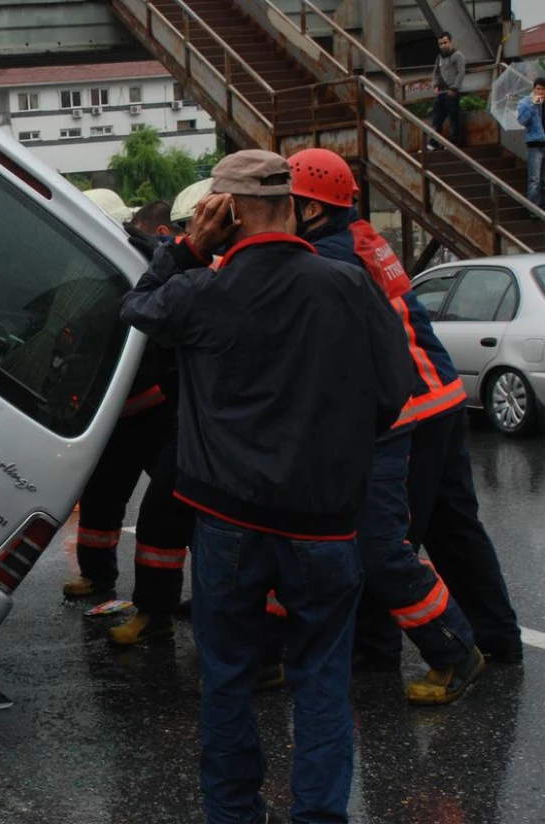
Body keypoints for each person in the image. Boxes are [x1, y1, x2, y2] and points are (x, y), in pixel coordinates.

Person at [122, 149, 414, 824]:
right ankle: (318, 816)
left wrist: (189, 250)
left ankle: (232, 813)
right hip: (324, 522)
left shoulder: (201, 292)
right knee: (320, 679)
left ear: (222, 212)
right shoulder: (346, 283)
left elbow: (136, 307)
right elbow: (392, 390)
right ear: (290, 203)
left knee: (228, 678)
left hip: (226, 522)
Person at [288, 147, 517, 683]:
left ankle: (390, 652)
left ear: (313, 209)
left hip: (409, 408)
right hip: (442, 397)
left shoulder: (331, 258)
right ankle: (498, 636)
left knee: (386, 539)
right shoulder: (360, 237)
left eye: (289, 203)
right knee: (455, 529)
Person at [64, 192, 195, 649]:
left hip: (158, 409)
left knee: (169, 512)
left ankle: (176, 605)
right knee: (102, 495)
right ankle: (99, 576)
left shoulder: (149, 267)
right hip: (120, 412)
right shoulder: (96, 271)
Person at [430, 31, 466, 149]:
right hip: (442, 91)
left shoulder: (458, 55)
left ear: (450, 42)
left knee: (453, 116)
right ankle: (434, 142)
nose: (443, 45)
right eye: (440, 44)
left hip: (452, 91)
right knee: (437, 117)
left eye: (445, 42)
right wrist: (436, 85)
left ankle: (453, 143)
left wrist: (454, 88)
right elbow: (436, 72)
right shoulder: (439, 57)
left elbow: (461, 73)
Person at [517, 77, 545, 208]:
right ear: (533, 89)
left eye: (543, 89)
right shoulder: (525, 103)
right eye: (538, 88)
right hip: (535, 144)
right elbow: (522, 121)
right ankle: (533, 208)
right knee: (535, 178)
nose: (540, 91)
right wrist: (533, 105)